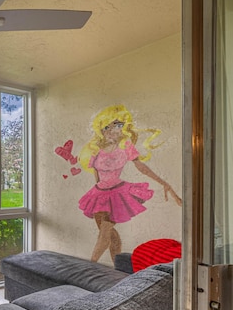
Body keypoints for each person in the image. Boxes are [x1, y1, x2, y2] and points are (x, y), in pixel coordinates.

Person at [78, 105, 182, 262]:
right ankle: (118, 268)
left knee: (104, 234)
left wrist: (164, 183)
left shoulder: (125, 146)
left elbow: (141, 167)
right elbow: (96, 173)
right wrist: (96, 193)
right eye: (109, 126)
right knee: (110, 235)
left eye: (119, 125)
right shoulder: (96, 149)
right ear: (103, 128)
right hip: (99, 194)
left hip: (117, 193)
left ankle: (90, 265)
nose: (114, 130)